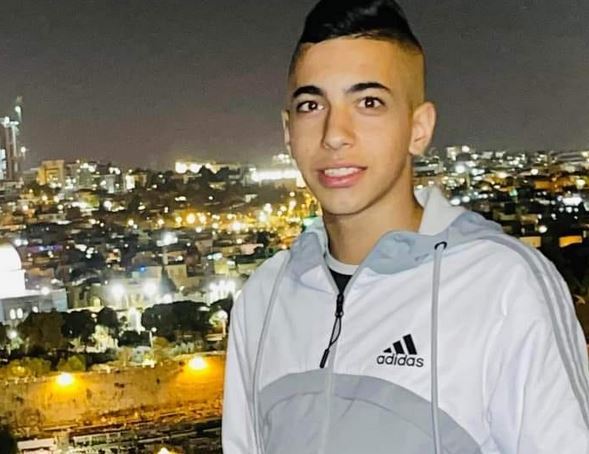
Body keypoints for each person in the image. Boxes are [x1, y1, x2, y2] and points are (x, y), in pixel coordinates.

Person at [222, 0, 589, 452]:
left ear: (419, 128)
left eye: (368, 102)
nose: (334, 134)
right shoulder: (264, 298)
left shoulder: (500, 286)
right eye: (311, 105)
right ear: (287, 131)